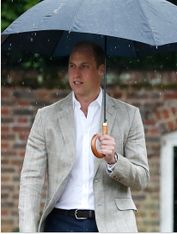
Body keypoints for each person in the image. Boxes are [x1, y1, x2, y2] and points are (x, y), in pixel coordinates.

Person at [18, 41, 150, 232]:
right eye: (72, 66)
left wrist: (114, 160)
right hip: (60, 224)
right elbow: (31, 178)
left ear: (101, 70)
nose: (76, 74)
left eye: (84, 66)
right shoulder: (46, 117)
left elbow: (142, 178)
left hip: (112, 225)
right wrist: (27, 230)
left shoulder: (128, 115)